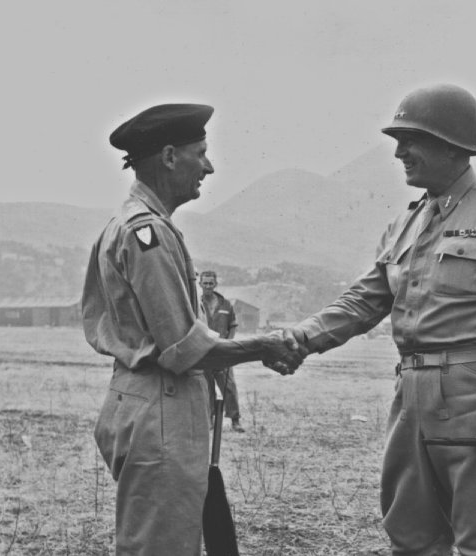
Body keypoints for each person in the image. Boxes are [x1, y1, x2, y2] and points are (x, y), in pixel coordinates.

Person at [282, 84, 476, 556]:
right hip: (410, 399)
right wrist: (300, 338)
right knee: (412, 538)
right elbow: (363, 301)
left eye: (411, 139)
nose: (399, 152)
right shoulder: (405, 223)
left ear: (451, 145)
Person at [81, 103, 304, 556]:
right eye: (199, 153)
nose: (209, 165)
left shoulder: (131, 225)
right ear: (168, 157)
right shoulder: (148, 233)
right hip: (161, 407)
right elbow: (186, 350)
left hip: (144, 402)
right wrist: (264, 345)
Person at [199, 270, 245, 432]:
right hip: (203, 352)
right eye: (205, 283)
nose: (208, 286)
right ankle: (209, 419)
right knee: (206, 387)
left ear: (216, 284)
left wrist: (229, 344)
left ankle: (235, 420)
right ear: (200, 284)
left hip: (222, 351)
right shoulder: (195, 303)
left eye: (211, 283)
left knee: (229, 386)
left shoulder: (226, 304)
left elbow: (232, 326)